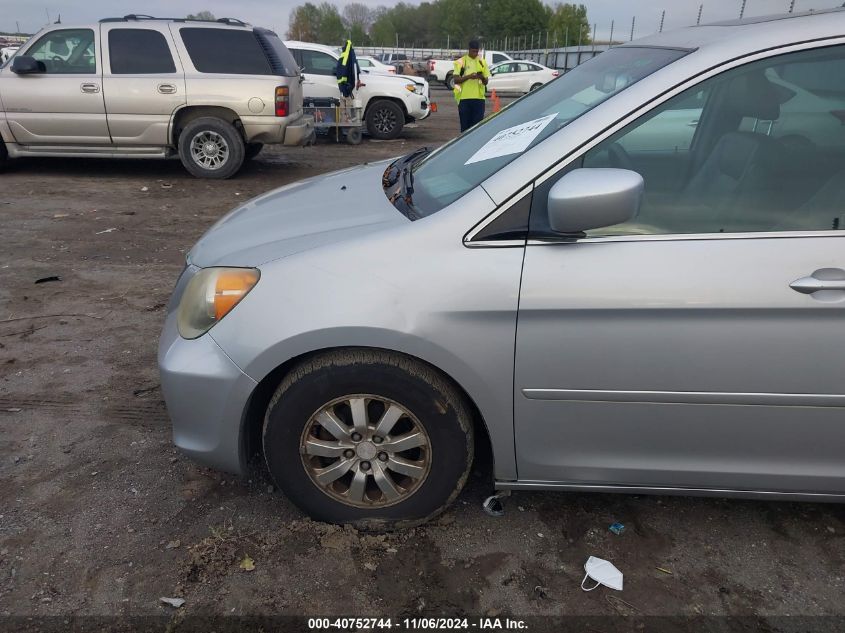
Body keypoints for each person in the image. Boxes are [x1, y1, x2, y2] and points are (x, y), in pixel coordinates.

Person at [453, 40, 490, 133]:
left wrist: (481, 77)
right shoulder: (461, 62)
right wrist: (469, 76)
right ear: (469, 50)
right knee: (465, 128)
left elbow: (486, 82)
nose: (475, 54)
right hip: (464, 99)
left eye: (477, 51)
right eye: (473, 51)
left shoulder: (482, 62)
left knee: (477, 129)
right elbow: (456, 80)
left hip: (479, 99)